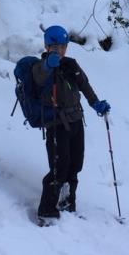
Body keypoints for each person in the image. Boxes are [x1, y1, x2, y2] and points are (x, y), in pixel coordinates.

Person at [32, 25, 110, 224]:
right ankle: (46, 211)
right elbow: (39, 79)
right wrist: (48, 66)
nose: (59, 50)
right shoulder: (41, 67)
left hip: (76, 121)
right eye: (55, 46)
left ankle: (67, 202)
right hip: (56, 124)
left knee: (75, 164)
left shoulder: (71, 65)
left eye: (63, 46)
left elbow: (84, 85)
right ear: (47, 46)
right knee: (59, 167)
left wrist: (96, 103)